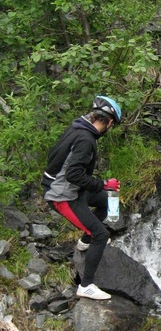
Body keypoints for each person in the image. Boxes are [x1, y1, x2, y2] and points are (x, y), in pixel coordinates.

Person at [42, 95, 122, 301]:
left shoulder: (78, 128)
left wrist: (102, 189)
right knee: (101, 235)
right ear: (109, 122)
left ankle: (84, 242)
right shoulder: (86, 140)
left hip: (70, 189)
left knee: (107, 200)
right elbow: (73, 174)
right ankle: (86, 286)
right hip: (62, 196)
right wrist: (104, 184)